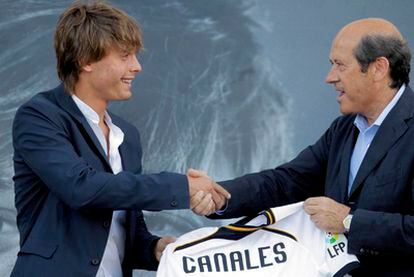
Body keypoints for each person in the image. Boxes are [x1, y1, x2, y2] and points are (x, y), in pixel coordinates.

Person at [11, 1, 230, 276]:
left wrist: (153, 249)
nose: (137, 66)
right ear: (84, 60)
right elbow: (82, 188)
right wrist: (180, 187)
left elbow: (125, 228)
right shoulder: (39, 116)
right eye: (125, 55)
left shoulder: (127, 137)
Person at [192, 18, 413, 276]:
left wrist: (348, 221)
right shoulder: (342, 130)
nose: (329, 78)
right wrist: (221, 196)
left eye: (340, 65)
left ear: (378, 68)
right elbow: (285, 182)